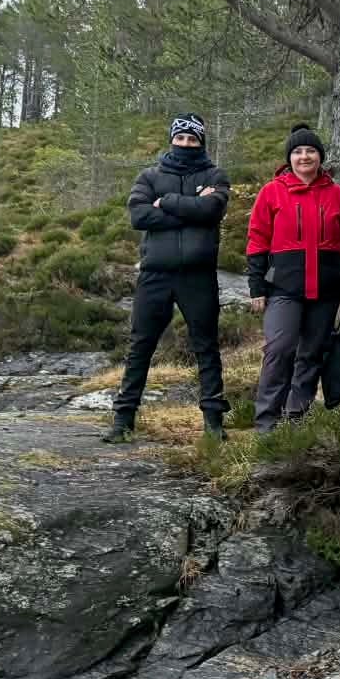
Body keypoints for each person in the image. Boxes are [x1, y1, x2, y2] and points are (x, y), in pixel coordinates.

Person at [107, 114, 231, 443]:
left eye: (192, 139)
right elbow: (139, 215)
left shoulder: (215, 175)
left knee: (206, 347)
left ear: (201, 142)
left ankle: (214, 424)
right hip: (155, 275)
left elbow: (212, 211)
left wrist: (168, 203)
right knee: (140, 346)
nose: (185, 144)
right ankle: (122, 421)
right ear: (172, 139)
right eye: (180, 138)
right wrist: (192, 210)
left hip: (198, 276)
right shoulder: (149, 176)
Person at [245, 125, 340, 426]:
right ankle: (267, 422)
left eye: (310, 151)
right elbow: (257, 240)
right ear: (289, 158)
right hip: (283, 288)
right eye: (297, 151)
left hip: (326, 290)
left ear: (320, 156)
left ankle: (296, 417)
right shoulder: (271, 192)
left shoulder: (338, 195)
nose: (304, 156)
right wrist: (257, 287)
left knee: (311, 354)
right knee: (279, 349)